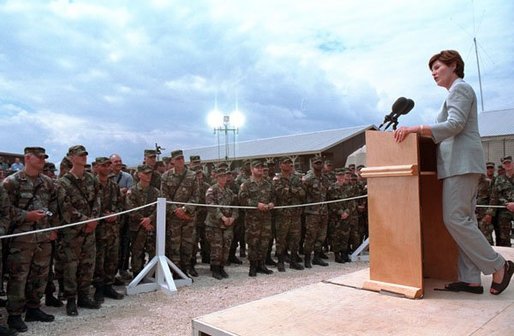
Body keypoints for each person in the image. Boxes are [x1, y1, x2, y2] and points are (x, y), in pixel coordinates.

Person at [393, 49, 513, 295]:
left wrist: (416, 128)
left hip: (462, 163)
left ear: (454, 65)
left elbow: (455, 125)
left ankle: (499, 265)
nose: (433, 73)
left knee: (455, 219)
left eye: (437, 67)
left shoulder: (460, 89)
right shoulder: (454, 92)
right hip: (459, 164)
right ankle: (470, 278)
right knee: (465, 220)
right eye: (432, 70)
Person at [2, 147, 58, 332]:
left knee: (40, 274)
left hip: (42, 236)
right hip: (21, 238)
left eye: (44, 157)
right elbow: (5, 210)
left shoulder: (48, 182)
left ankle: (34, 308)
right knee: (19, 276)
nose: (43, 160)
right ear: (27, 158)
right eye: (39, 157)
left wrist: (52, 227)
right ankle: (15, 315)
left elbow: (54, 206)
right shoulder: (12, 182)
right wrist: (28, 216)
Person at [57, 145, 102, 316]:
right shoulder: (63, 182)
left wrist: (94, 219)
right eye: (79, 155)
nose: (83, 157)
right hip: (73, 232)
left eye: (85, 155)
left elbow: (98, 200)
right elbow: (65, 208)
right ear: (70, 157)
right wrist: (86, 221)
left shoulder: (91, 179)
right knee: (71, 266)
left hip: (90, 229)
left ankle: (84, 296)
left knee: (88, 263)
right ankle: (70, 300)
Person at [160, 150, 199, 277]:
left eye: (182, 158)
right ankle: (175, 272)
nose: (181, 160)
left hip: (188, 216)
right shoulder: (165, 176)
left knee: (187, 245)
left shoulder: (192, 176)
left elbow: (196, 196)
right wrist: (175, 210)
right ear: (172, 161)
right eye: (178, 159)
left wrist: (185, 209)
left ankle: (184, 270)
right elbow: (164, 196)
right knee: (174, 245)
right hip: (174, 217)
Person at [92, 157, 124, 302]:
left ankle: (108, 286)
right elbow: (88, 205)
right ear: (97, 167)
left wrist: (115, 214)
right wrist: (101, 216)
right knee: (99, 260)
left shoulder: (114, 186)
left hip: (112, 229)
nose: (106, 168)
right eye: (103, 166)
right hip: (97, 230)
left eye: (108, 165)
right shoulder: (92, 185)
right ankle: (98, 288)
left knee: (112, 259)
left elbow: (120, 205)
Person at [125, 165, 160, 278]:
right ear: (139, 174)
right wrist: (144, 221)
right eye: (146, 173)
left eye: (150, 173)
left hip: (151, 226)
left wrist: (150, 219)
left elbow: (159, 207)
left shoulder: (155, 192)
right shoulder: (132, 191)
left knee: (153, 250)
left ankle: (153, 272)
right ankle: (137, 273)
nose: (148, 176)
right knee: (137, 251)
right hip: (137, 227)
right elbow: (131, 209)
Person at [272, 157, 305, 271]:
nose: (288, 165)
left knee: (295, 238)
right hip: (282, 215)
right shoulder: (277, 179)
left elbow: (302, 192)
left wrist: (290, 190)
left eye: (290, 163)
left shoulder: (297, 178)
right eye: (285, 163)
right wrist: (294, 190)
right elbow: (280, 193)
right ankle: (281, 261)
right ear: (280, 165)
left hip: (295, 213)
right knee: (281, 239)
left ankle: (293, 261)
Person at [204, 167, 238, 280]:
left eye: (225, 176)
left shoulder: (229, 192)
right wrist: (222, 217)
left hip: (228, 224)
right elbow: (211, 206)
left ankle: (222, 267)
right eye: (221, 176)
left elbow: (235, 206)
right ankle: (215, 268)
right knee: (216, 247)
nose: (224, 178)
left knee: (226, 246)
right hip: (215, 224)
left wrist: (233, 217)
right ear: (216, 177)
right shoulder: (211, 190)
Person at [302, 156, 330, 268]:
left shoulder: (324, 178)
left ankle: (317, 257)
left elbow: (327, 192)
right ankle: (307, 259)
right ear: (312, 164)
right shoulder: (308, 179)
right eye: (316, 163)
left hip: (323, 212)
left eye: (320, 163)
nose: (318, 165)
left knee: (321, 236)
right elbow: (302, 194)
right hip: (312, 213)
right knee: (310, 236)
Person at [483, 156, 513, 247]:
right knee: (503, 238)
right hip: (505, 210)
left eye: (509, 163)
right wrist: (490, 213)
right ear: (503, 166)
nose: (507, 165)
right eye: (505, 163)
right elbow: (494, 196)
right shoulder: (498, 180)